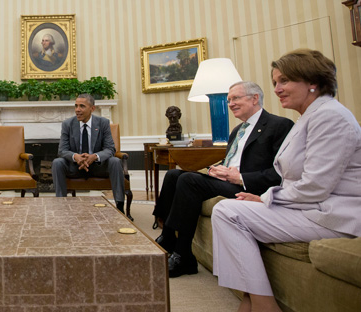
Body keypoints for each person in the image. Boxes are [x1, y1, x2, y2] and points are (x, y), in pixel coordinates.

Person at [211, 49, 361, 312]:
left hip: (333, 215)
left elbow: (315, 186)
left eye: (285, 81)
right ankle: (251, 298)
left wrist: (265, 198)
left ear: (313, 82)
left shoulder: (330, 116)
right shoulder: (309, 117)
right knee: (228, 209)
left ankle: (263, 305)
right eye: (275, 82)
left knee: (227, 212)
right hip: (310, 207)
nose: (278, 89)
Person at [153, 81, 294, 278]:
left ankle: (183, 255)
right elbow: (230, 160)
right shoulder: (237, 131)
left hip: (250, 187)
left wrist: (240, 177)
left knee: (188, 181)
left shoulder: (279, 125)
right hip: (226, 181)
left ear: (255, 98)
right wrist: (216, 170)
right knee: (173, 175)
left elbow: (280, 173)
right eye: (229, 100)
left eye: (235, 98)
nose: (230, 104)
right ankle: (167, 237)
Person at [52, 93, 126, 212]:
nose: (77, 110)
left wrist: (95, 157)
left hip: (98, 166)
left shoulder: (103, 123)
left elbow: (110, 149)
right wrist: (75, 157)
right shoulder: (68, 124)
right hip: (75, 167)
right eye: (76, 106)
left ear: (92, 108)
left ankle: (120, 206)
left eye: (82, 106)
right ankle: (61, 205)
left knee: (115, 161)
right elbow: (62, 150)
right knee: (57, 162)